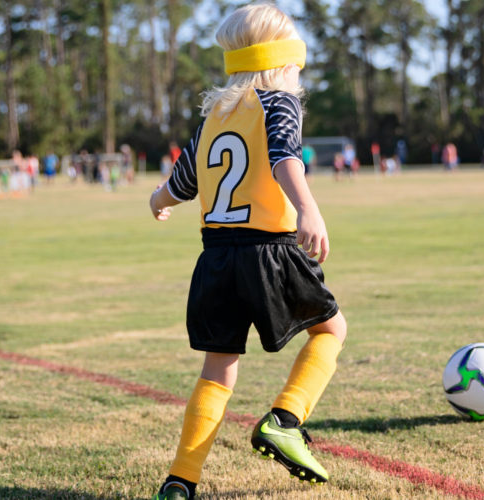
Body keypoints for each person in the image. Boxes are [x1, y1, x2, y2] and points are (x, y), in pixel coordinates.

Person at [148, 5, 347, 499]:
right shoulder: (279, 102)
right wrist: (309, 208)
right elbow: (284, 157)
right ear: (284, 62)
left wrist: (158, 200)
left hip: (215, 257)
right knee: (331, 330)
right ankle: (285, 420)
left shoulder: (214, 117)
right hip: (268, 249)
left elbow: (183, 183)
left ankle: (181, 479)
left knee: (218, 368)